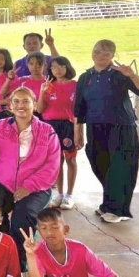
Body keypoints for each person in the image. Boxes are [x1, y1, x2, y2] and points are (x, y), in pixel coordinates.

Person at [0, 87, 60, 270]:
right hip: (3, 182)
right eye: (16, 101)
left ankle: (19, 263)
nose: (21, 105)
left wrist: (29, 186)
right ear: (10, 106)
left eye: (26, 101)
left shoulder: (47, 131)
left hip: (37, 187)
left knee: (22, 216)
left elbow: (52, 166)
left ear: (34, 105)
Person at [74, 39, 139, 224]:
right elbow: (79, 107)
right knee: (99, 163)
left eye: (106, 53)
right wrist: (77, 132)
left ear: (112, 55)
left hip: (121, 126)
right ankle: (111, 203)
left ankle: (116, 209)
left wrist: (132, 75)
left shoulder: (120, 74)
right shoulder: (85, 77)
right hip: (95, 127)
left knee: (120, 168)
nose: (100, 55)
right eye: (97, 50)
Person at [37, 56, 78, 210]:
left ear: (67, 67)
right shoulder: (48, 86)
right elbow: (39, 109)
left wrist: (79, 131)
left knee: (71, 159)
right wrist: (42, 92)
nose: (58, 70)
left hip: (69, 125)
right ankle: (59, 194)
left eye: (61, 66)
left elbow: (80, 110)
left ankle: (69, 195)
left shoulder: (75, 85)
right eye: (54, 67)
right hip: (51, 126)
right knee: (56, 160)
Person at [2, 52, 46, 118]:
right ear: (27, 65)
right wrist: (9, 78)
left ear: (44, 65)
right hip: (22, 114)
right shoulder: (22, 80)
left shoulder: (48, 82)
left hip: (42, 116)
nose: (34, 66)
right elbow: (3, 93)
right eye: (31, 64)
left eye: (39, 64)